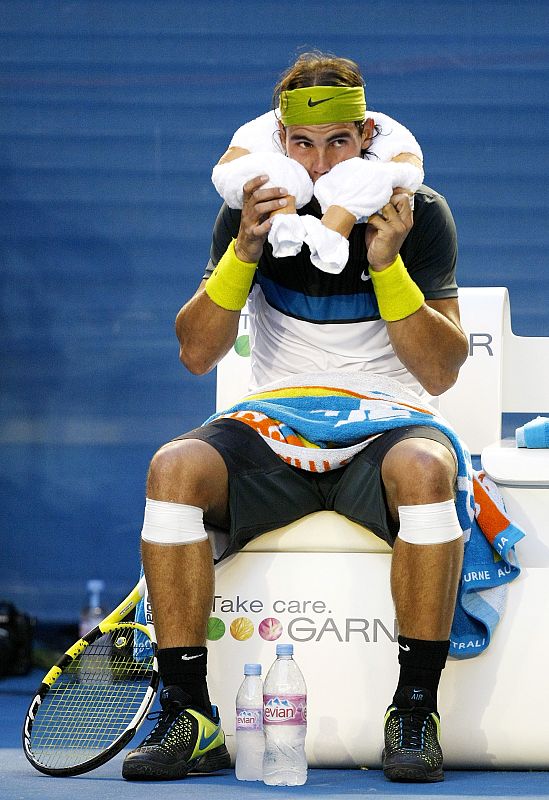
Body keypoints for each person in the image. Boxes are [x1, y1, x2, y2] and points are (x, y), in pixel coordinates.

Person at [122, 51, 469, 784]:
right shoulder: (247, 211)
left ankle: (414, 710)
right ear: (280, 142)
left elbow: (438, 370)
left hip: (387, 420)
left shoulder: (418, 213)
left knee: (424, 470)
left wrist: (386, 263)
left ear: (366, 136)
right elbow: (195, 352)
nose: (318, 162)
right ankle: (190, 713)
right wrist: (244, 251)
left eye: (338, 143)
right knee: (172, 467)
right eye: (303, 144)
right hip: (274, 421)